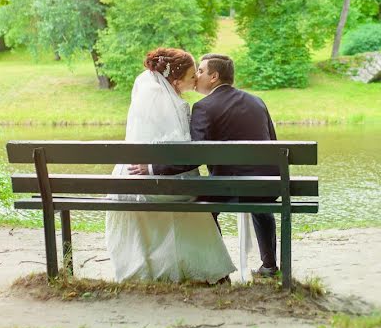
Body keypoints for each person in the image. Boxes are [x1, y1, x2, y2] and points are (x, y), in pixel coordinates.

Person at [130, 53, 280, 279]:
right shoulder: (257, 101)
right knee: (261, 205)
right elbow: (273, 144)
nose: (196, 75)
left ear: (214, 76)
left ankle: (217, 270)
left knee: (203, 208)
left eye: (200, 71)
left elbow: (191, 156)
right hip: (267, 187)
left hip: (227, 188)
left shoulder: (204, 107)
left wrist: (152, 168)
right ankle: (269, 266)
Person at [105, 48, 236, 283]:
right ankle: (208, 269)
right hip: (159, 186)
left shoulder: (149, 95)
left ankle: (153, 267)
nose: (196, 78)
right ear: (176, 81)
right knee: (194, 195)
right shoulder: (177, 106)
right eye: (191, 75)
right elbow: (185, 155)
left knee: (189, 192)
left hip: (129, 182)